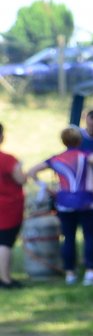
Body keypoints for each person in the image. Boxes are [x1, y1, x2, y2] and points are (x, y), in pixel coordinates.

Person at [30, 127, 93, 287]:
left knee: (68, 238)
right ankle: (90, 272)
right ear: (80, 140)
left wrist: (47, 188)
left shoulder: (57, 159)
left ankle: (70, 273)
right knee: (90, 237)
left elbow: (32, 172)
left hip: (65, 202)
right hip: (87, 200)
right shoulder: (85, 154)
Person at [0, 122, 25, 289]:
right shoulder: (7, 159)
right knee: (5, 243)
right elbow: (21, 179)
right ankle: (5, 279)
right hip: (8, 207)